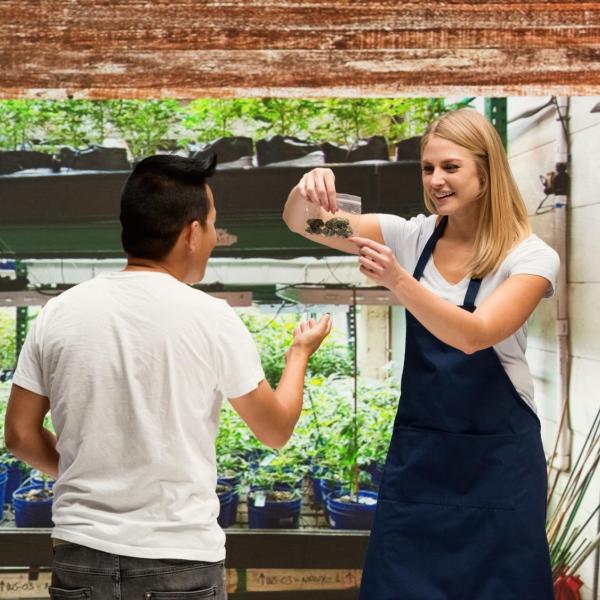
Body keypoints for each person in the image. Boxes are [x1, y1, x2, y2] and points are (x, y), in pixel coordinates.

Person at [5, 154, 331, 600]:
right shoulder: (211, 317)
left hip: (82, 556)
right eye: (214, 224)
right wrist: (298, 355)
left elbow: (21, 435)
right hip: (179, 560)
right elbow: (275, 430)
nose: (216, 237)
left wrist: (86, 471)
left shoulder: (59, 311)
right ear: (192, 233)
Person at [283, 108, 558, 599]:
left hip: (500, 470)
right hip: (422, 466)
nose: (436, 180)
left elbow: (476, 334)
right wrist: (309, 189)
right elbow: (303, 224)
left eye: (450, 167)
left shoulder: (530, 257)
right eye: (427, 168)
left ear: (486, 170)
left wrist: (397, 281)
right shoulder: (410, 237)